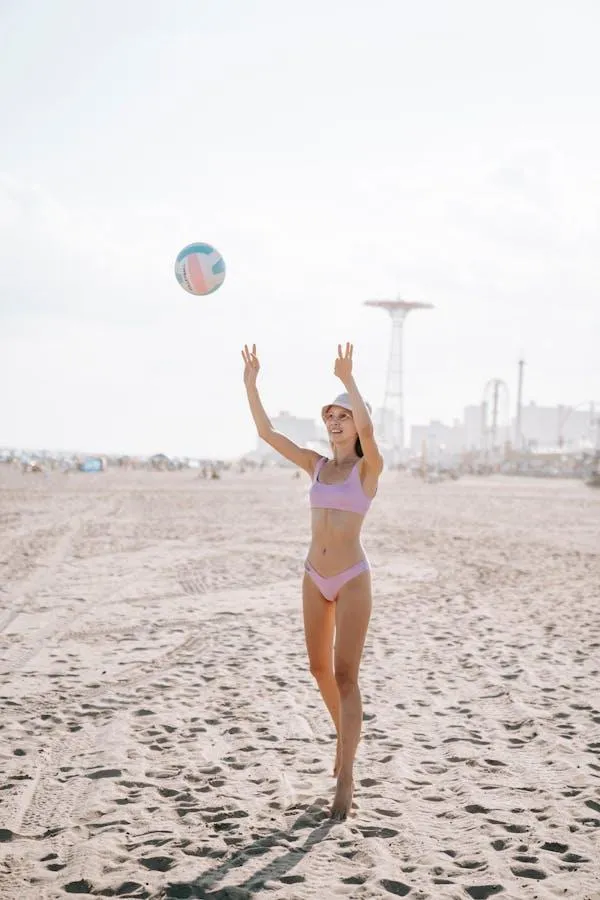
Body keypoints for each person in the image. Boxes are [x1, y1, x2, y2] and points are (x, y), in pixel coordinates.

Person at [241, 341, 383, 820]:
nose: (335, 422)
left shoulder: (368, 469)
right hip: (312, 575)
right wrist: (251, 385)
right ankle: (345, 740)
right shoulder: (317, 465)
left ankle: (346, 776)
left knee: (345, 675)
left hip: (352, 578)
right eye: (329, 416)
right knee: (318, 670)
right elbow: (267, 433)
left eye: (342, 415)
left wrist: (348, 381)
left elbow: (368, 427)